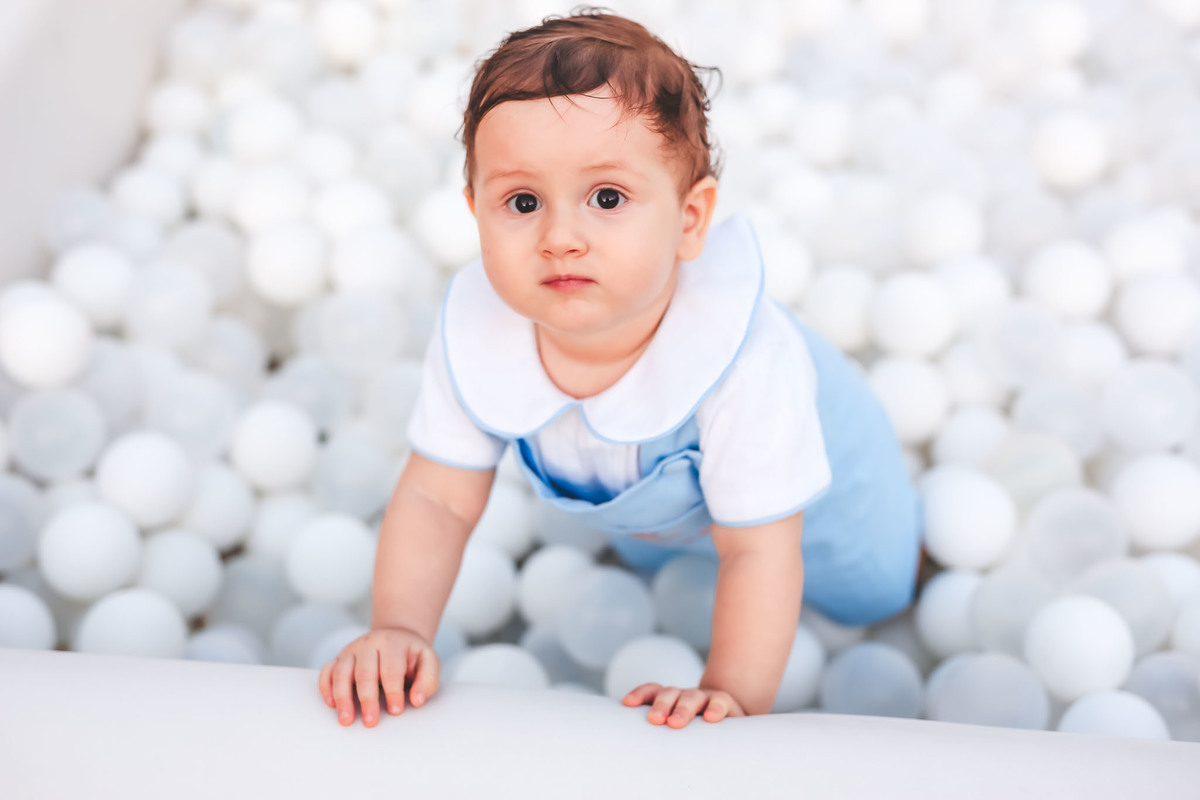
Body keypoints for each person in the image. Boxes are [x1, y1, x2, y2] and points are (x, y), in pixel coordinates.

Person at [318, 7, 922, 731]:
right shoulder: (479, 334)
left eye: (607, 198)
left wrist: (728, 693)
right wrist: (400, 629)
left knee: (875, 589)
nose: (560, 238)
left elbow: (759, 548)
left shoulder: (745, 363)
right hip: (666, 510)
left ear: (690, 221)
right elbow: (437, 501)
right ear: (474, 209)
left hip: (827, 509)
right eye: (522, 202)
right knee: (659, 560)